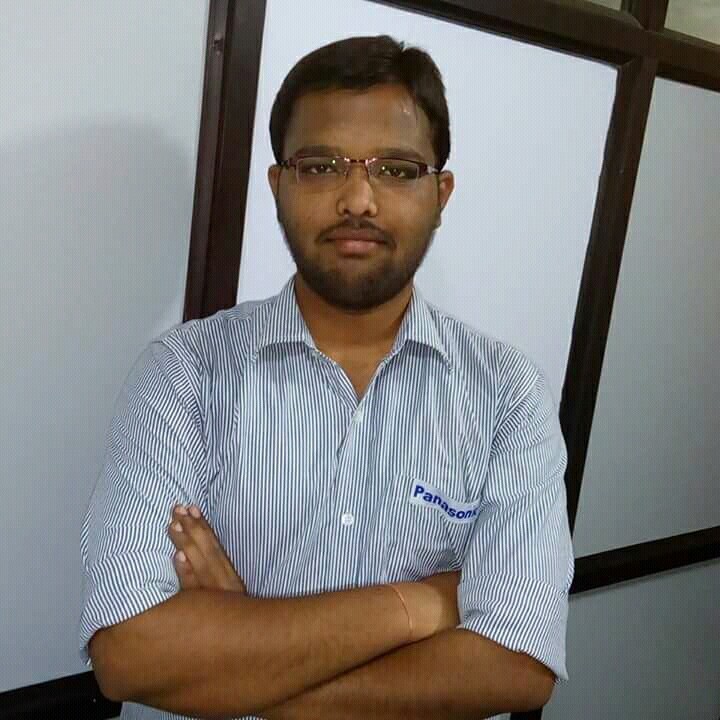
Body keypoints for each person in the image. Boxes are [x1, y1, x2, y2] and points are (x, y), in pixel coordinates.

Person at [79, 34, 574, 720]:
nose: (358, 200)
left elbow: (515, 668)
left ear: (441, 194)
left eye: (397, 169)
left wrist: (241, 667)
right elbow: (130, 655)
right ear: (278, 186)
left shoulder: (507, 394)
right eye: (320, 167)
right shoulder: (184, 373)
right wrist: (421, 604)